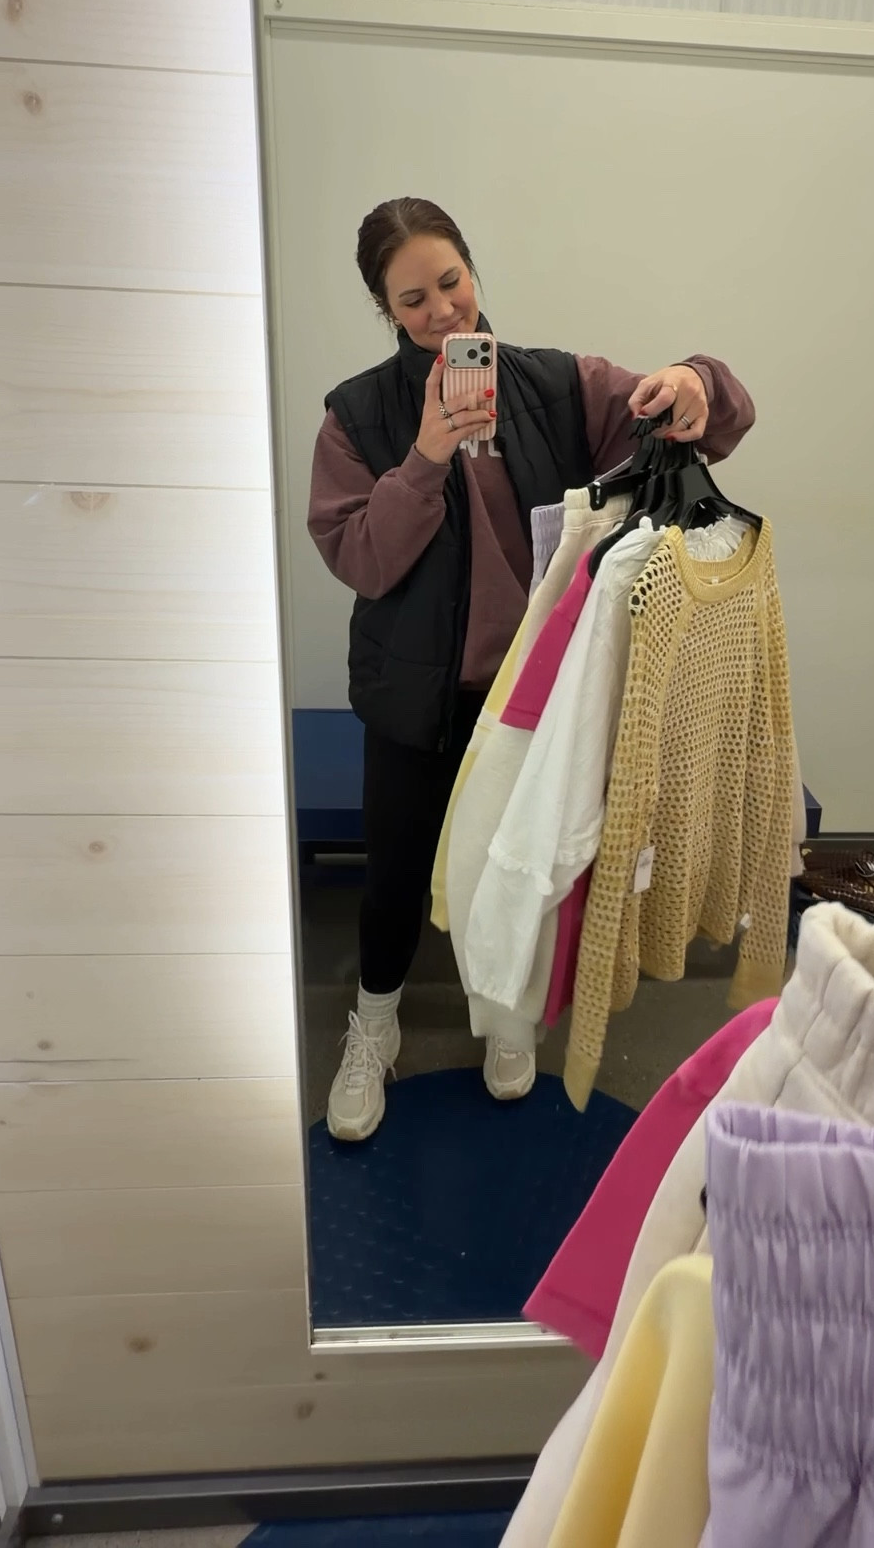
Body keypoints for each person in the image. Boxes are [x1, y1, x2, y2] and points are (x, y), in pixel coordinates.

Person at [308, 197, 755, 1140]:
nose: (443, 311)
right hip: (415, 698)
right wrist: (425, 457)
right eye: (413, 299)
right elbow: (361, 559)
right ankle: (374, 1025)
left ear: (473, 269)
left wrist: (697, 379)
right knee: (396, 877)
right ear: (386, 309)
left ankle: (508, 1019)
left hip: (540, 697)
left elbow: (698, 418)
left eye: (452, 282)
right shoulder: (357, 415)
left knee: (523, 872)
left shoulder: (557, 385)